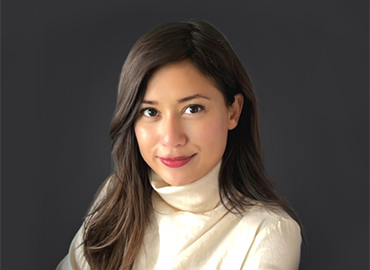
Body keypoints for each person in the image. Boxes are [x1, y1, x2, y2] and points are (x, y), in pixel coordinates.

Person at [56, 19, 304, 270]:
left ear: (233, 112)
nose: (171, 138)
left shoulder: (268, 233)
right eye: (150, 112)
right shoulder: (115, 199)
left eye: (192, 109)